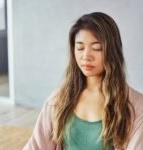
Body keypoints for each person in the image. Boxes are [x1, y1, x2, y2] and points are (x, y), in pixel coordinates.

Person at [23, 12, 143, 150]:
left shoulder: (136, 107)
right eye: (80, 48)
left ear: (112, 51)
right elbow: (35, 146)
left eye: (96, 48)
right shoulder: (57, 100)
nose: (86, 56)